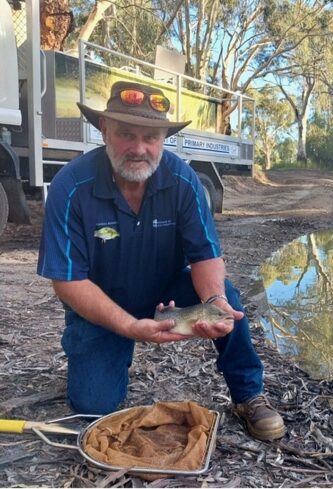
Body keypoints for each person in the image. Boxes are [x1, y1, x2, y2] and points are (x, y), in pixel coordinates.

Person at [37, 80, 286, 441]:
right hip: (101, 303)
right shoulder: (70, 186)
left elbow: (206, 257)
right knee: (92, 407)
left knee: (227, 301)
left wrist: (212, 302)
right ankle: (112, 355)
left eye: (151, 137)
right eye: (126, 133)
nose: (139, 148)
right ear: (104, 129)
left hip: (164, 291)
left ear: (164, 138)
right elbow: (67, 282)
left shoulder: (183, 181)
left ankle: (249, 394)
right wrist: (128, 327)